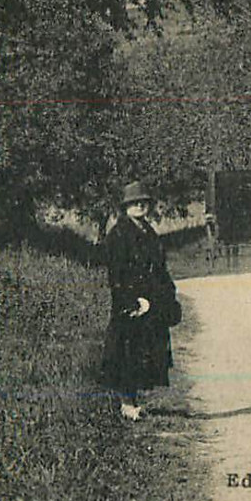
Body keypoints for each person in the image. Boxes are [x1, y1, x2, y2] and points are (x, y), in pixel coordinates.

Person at [100, 180, 183, 421]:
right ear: (125, 207)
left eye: (143, 202)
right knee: (127, 350)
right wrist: (130, 301)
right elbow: (116, 273)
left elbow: (159, 267)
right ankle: (126, 403)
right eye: (133, 203)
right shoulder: (119, 234)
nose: (139, 206)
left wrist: (167, 295)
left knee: (145, 349)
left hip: (151, 300)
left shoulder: (148, 232)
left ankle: (134, 400)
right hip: (131, 301)